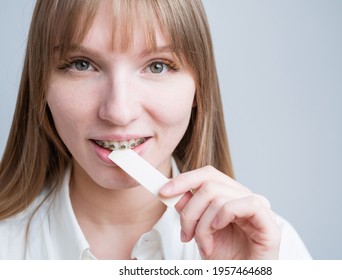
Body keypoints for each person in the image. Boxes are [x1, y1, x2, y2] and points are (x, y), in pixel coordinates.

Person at [0, 0, 311, 260]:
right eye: (82, 64)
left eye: (157, 66)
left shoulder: (274, 251)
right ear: (40, 84)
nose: (119, 112)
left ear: (199, 88)